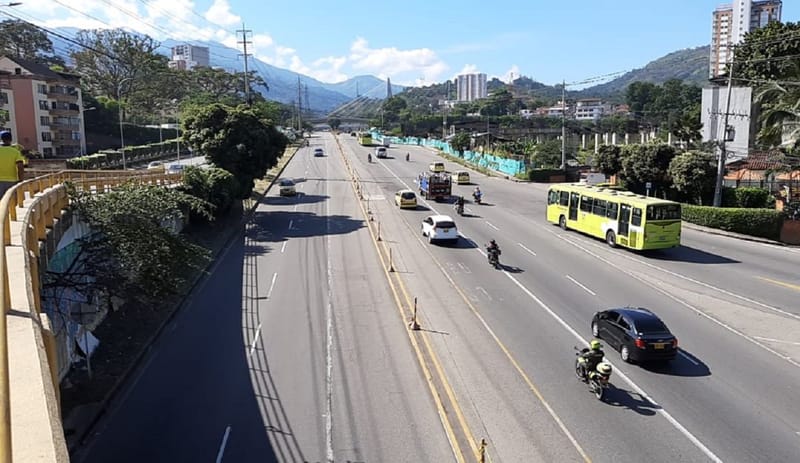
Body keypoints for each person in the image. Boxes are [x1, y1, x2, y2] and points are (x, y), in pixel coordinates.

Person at [0, 131, 26, 198]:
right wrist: (21, 180)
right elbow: (20, 167)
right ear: (11, 139)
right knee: (11, 203)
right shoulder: (16, 152)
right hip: (12, 181)